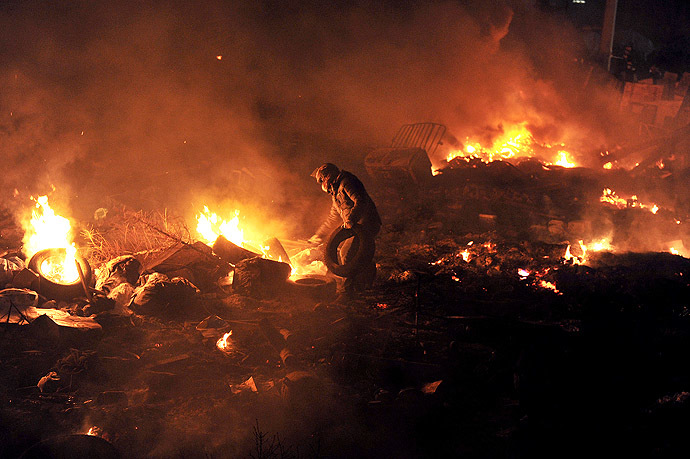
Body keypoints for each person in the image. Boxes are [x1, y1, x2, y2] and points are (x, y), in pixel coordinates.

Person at [309, 163, 381, 296]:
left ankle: (347, 292)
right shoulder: (336, 193)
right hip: (355, 225)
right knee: (355, 253)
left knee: (346, 253)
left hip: (366, 223)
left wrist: (351, 219)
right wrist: (319, 234)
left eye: (321, 181)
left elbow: (360, 200)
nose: (322, 185)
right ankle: (364, 284)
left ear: (327, 177)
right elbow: (333, 217)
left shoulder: (347, 182)